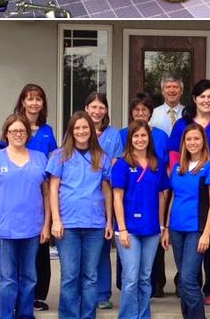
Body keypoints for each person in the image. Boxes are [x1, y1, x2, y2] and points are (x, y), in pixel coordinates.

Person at [167, 79, 210, 306]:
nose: (206, 100)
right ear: (195, 99)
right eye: (202, 96)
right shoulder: (182, 125)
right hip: (188, 188)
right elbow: (174, 157)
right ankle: (190, 286)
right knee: (189, 243)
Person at [0, 114, 50, 319]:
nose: (18, 134)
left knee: (29, 277)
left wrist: (46, 225)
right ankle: (7, 316)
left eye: (22, 131)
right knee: (8, 279)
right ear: (6, 134)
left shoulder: (40, 158)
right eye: (14, 131)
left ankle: (26, 315)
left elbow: (47, 194)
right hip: (5, 230)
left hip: (32, 229)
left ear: (28, 134)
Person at [46, 111, 113, 319]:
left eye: (85, 127)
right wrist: (55, 220)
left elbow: (107, 190)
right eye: (77, 128)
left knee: (90, 276)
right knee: (69, 276)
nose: (82, 131)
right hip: (68, 224)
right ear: (71, 131)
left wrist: (109, 221)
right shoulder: (59, 155)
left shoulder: (101, 156)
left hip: (95, 224)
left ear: (91, 130)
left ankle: (87, 316)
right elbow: (53, 189)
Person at [0, 84, 57, 311]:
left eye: (38, 99)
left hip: (39, 196)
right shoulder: (14, 126)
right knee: (11, 264)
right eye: (30, 99)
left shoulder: (47, 130)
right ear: (22, 101)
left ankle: (37, 296)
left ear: (43, 103)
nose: (34, 103)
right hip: (14, 202)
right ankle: (11, 305)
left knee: (40, 252)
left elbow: (53, 159)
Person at [162, 123, 210, 319]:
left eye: (197, 138)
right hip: (177, 229)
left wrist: (206, 233)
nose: (193, 143)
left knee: (187, 279)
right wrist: (167, 228)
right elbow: (173, 198)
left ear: (203, 141)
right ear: (183, 143)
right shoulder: (179, 167)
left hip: (197, 229)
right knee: (185, 281)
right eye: (189, 139)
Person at [112, 119, 169, 319]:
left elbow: (161, 196)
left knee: (145, 278)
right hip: (129, 230)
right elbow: (117, 198)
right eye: (136, 136)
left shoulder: (157, 164)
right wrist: (122, 229)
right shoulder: (122, 164)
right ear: (130, 139)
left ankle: (143, 315)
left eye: (143, 135)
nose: (140, 139)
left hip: (152, 229)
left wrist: (163, 226)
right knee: (130, 278)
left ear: (149, 138)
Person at [85, 92, 123, 310]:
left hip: (104, 194)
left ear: (106, 110)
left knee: (101, 248)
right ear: (87, 108)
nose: (97, 111)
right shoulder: (78, 130)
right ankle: (85, 291)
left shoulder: (113, 134)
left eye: (101, 107)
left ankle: (102, 294)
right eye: (93, 107)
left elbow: (115, 162)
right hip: (82, 196)